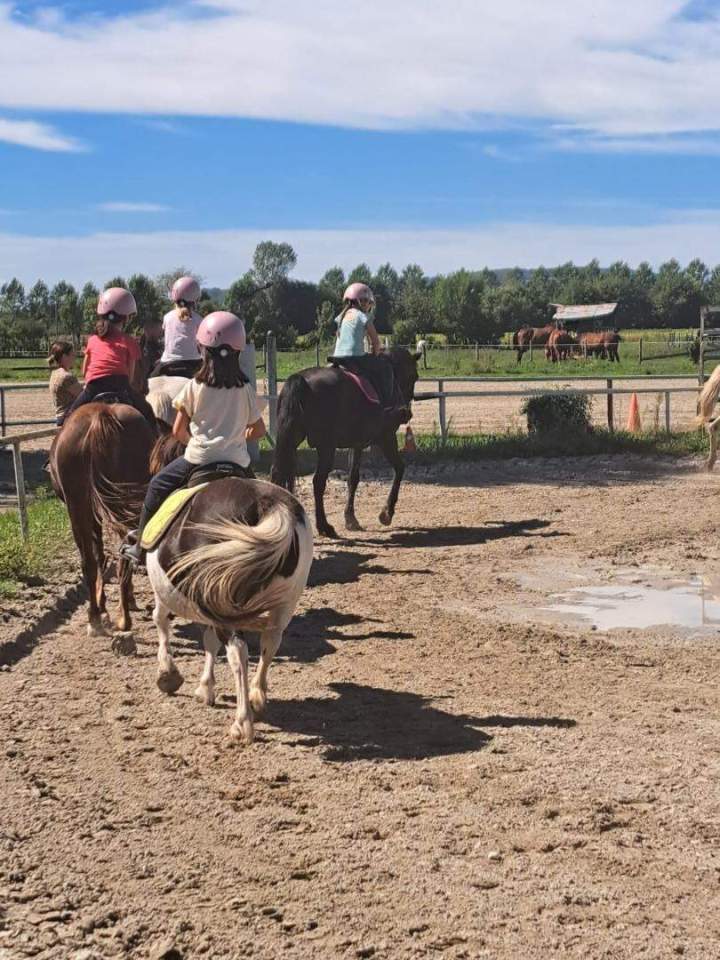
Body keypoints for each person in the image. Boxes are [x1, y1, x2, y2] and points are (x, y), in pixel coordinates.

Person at [120, 311, 266, 566]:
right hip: (237, 462)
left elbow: (177, 432)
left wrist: (200, 443)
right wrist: (238, 437)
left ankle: (140, 547)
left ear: (203, 351)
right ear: (238, 352)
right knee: (263, 503)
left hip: (199, 460)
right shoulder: (245, 391)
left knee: (156, 486)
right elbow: (259, 430)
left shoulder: (194, 387)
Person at [59, 287, 156, 429]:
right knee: (148, 414)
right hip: (121, 386)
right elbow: (130, 376)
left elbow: (85, 371)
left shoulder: (92, 340)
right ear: (126, 317)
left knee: (67, 420)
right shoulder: (130, 342)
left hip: (93, 387)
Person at [330, 282, 395, 408]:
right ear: (362, 302)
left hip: (337, 357)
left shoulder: (341, 317)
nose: (369, 306)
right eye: (368, 302)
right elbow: (376, 342)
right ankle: (387, 406)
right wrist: (376, 354)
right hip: (355, 357)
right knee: (386, 368)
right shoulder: (363, 316)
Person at [151, 276, 203, 378]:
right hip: (193, 363)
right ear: (195, 299)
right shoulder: (199, 319)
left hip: (167, 362)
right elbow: (200, 344)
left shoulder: (167, 317)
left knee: (148, 383)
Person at [47, 340, 82, 425]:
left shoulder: (54, 373)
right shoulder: (66, 377)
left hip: (60, 417)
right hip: (70, 418)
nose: (74, 357)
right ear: (64, 356)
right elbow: (83, 395)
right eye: (72, 354)